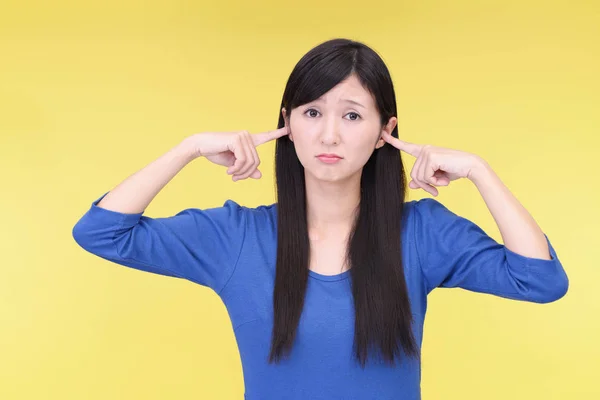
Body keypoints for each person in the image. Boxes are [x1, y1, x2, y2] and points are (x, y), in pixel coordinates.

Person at [72, 38, 569, 400]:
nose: (329, 135)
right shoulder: (236, 237)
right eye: (312, 113)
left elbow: (540, 279)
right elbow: (100, 232)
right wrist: (189, 148)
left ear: (384, 132)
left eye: (352, 116)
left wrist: (481, 171)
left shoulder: (421, 232)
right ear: (288, 124)